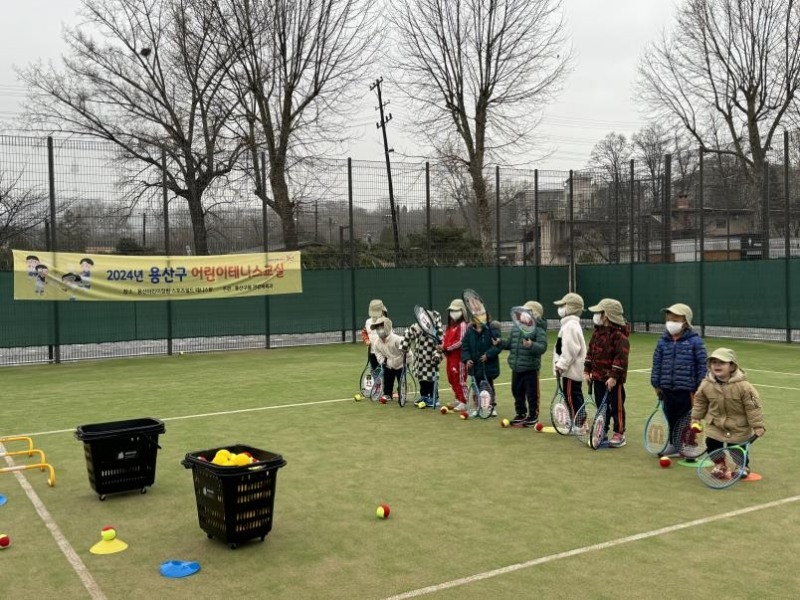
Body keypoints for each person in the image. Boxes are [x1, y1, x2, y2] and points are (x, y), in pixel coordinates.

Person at [691, 348, 765, 478]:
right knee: (712, 444)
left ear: (732, 366)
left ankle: (741, 466)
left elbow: (753, 406)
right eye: (714, 362)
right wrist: (696, 418)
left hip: (738, 426)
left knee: (737, 448)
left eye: (722, 362)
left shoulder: (744, 386)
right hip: (715, 424)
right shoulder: (706, 384)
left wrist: (758, 425)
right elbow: (700, 402)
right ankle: (719, 465)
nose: (717, 365)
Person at [651, 303, 707, 457]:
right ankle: (673, 445)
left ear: (685, 322)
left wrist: (699, 387)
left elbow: (702, 365)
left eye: (675, 319)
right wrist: (656, 384)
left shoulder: (695, 341)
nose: (671, 322)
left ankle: (689, 445)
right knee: (671, 418)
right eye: (669, 319)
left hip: (687, 389)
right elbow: (657, 363)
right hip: (667, 388)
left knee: (687, 419)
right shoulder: (663, 341)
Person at [583, 298, 630, 447]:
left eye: (600, 313)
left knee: (616, 407)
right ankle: (602, 430)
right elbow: (590, 352)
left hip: (612, 382)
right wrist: (587, 370)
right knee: (601, 407)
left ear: (607, 315)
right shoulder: (597, 334)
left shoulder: (620, 336)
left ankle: (619, 433)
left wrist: (614, 377)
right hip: (597, 378)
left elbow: (620, 358)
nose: (597, 315)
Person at [501, 301, 547, 427]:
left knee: (532, 394)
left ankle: (533, 416)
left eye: (527, 312)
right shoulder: (516, 328)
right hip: (516, 367)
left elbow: (542, 347)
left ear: (534, 315)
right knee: (516, 391)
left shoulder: (538, 329)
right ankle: (520, 413)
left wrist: (531, 344)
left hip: (531, 368)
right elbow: (510, 344)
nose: (523, 314)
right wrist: (500, 342)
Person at [553, 292, 587, 425]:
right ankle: (579, 422)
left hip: (571, 372)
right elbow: (561, 347)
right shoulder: (568, 325)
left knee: (572, 397)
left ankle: (579, 423)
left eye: (563, 305)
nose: (560, 308)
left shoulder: (570, 326)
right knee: (573, 396)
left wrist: (561, 365)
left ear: (570, 308)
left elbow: (570, 350)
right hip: (570, 371)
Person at [461, 312, 502, 417]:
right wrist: (467, 359)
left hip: (488, 367)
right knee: (476, 388)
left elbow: (497, 346)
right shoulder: (470, 331)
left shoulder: (491, 329)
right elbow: (465, 347)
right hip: (474, 367)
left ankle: (491, 407)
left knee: (488, 387)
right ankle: (477, 407)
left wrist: (488, 355)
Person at [401, 309, 443, 408]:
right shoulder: (416, 327)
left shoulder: (436, 330)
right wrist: (404, 347)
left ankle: (434, 398)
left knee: (431, 379)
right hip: (419, 361)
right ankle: (424, 396)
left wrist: (437, 356)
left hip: (431, 362)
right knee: (422, 379)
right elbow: (408, 334)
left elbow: (440, 345)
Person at [370, 317, 405, 403]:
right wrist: (383, 361)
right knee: (387, 378)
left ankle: (402, 393)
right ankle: (387, 394)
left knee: (401, 380)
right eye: (377, 328)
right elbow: (378, 353)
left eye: (381, 327)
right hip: (388, 364)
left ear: (387, 327)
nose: (379, 330)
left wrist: (403, 362)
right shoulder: (377, 342)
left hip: (400, 364)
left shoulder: (397, 339)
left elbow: (407, 353)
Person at [442, 299, 469, 412]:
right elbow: (445, 339)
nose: (453, 312)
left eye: (456, 310)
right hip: (450, 357)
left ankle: (464, 401)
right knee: (452, 379)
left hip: (459, 358)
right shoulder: (450, 326)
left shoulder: (463, 325)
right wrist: (443, 346)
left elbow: (461, 341)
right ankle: (458, 398)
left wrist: (447, 347)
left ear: (462, 311)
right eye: (451, 310)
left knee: (459, 379)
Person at [361, 299, 388, 371]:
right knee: (374, 372)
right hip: (371, 352)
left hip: (383, 353)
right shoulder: (368, 322)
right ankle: (377, 382)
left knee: (384, 372)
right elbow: (364, 332)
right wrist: (366, 340)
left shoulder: (386, 322)